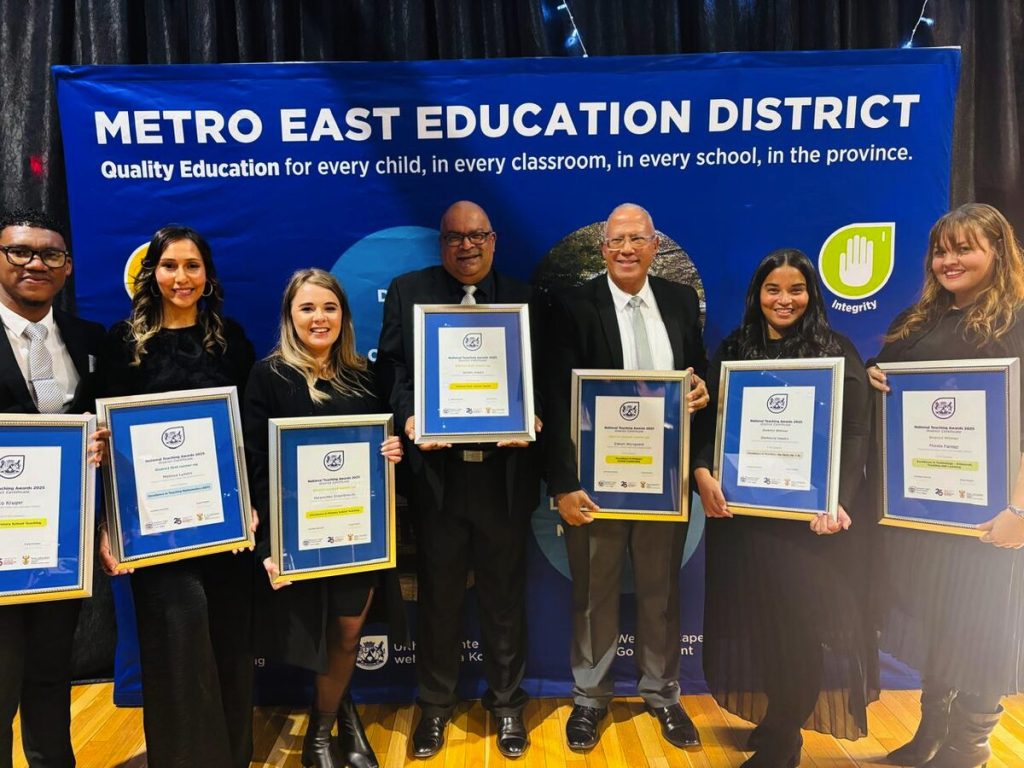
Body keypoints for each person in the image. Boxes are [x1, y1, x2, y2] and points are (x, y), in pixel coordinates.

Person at [691, 248, 877, 768]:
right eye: (774, 289)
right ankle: (777, 717)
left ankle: (785, 740)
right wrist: (703, 471)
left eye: (796, 290)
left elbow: (857, 431)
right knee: (762, 624)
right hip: (745, 521)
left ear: (811, 296)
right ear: (758, 295)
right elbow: (709, 427)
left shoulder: (835, 351)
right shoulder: (736, 348)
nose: (784, 299)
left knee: (797, 629)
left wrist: (838, 499)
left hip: (806, 527)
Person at [375, 201, 542, 759]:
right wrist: (410, 415)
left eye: (477, 236)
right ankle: (435, 707)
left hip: (505, 477)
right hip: (438, 477)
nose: (466, 246)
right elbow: (392, 369)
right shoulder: (408, 292)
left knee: (503, 597)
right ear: (440, 243)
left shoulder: (525, 299)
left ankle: (508, 705)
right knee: (440, 598)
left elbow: (541, 375)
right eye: (454, 237)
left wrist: (532, 415)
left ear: (493, 241)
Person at [545, 202, 710, 752]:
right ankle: (590, 698)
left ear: (654, 247)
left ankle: (662, 692)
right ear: (602, 249)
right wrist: (563, 485)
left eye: (637, 239)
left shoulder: (682, 301)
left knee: (661, 591)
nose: (626, 249)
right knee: (594, 591)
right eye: (616, 240)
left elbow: (697, 377)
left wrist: (701, 391)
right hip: (595, 485)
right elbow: (553, 399)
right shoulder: (572, 306)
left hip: (665, 481)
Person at [868, 203, 1024, 768]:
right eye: (941, 250)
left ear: (997, 252)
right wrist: (873, 375)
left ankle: (969, 748)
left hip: (991, 516)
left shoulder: (1018, 320)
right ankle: (931, 730)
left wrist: (1020, 510)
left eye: (964, 248)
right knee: (937, 619)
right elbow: (882, 375)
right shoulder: (920, 321)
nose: (949, 260)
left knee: (981, 627)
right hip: (926, 510)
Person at [96, 225, 256, 768]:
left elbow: (246, 432)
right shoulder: (121, 343)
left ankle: (232, 756)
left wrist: (250, 503)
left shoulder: (231, 340)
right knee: (175, 642)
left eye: (192, 266)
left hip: (225, 525)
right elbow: (106, 440)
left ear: (207, 275)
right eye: (169, 266)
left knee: (228, 641)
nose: (181, 277)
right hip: (155, 528)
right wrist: (110, 525)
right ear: (152, 273)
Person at [243, 268, 404, 768]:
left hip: (358, 532)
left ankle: (322, 726)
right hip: (298, 537)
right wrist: (270, 544)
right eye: (307, 308)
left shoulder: (365, 376)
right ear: (290, 316)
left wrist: (392, 451)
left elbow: (379, 449)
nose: (319, 318)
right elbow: (253, 461)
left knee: (349, 630)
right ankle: (339, 719)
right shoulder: (268, 375)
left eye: (329, 308)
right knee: (318, 635)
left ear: (344, 316)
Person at [0, 209, 105, 768]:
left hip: (63, 545)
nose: (35, 263)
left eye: (50, 254)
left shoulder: (88, 339)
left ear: (67, 269)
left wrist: (101, 446)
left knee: (49, 673)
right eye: (20, 251)